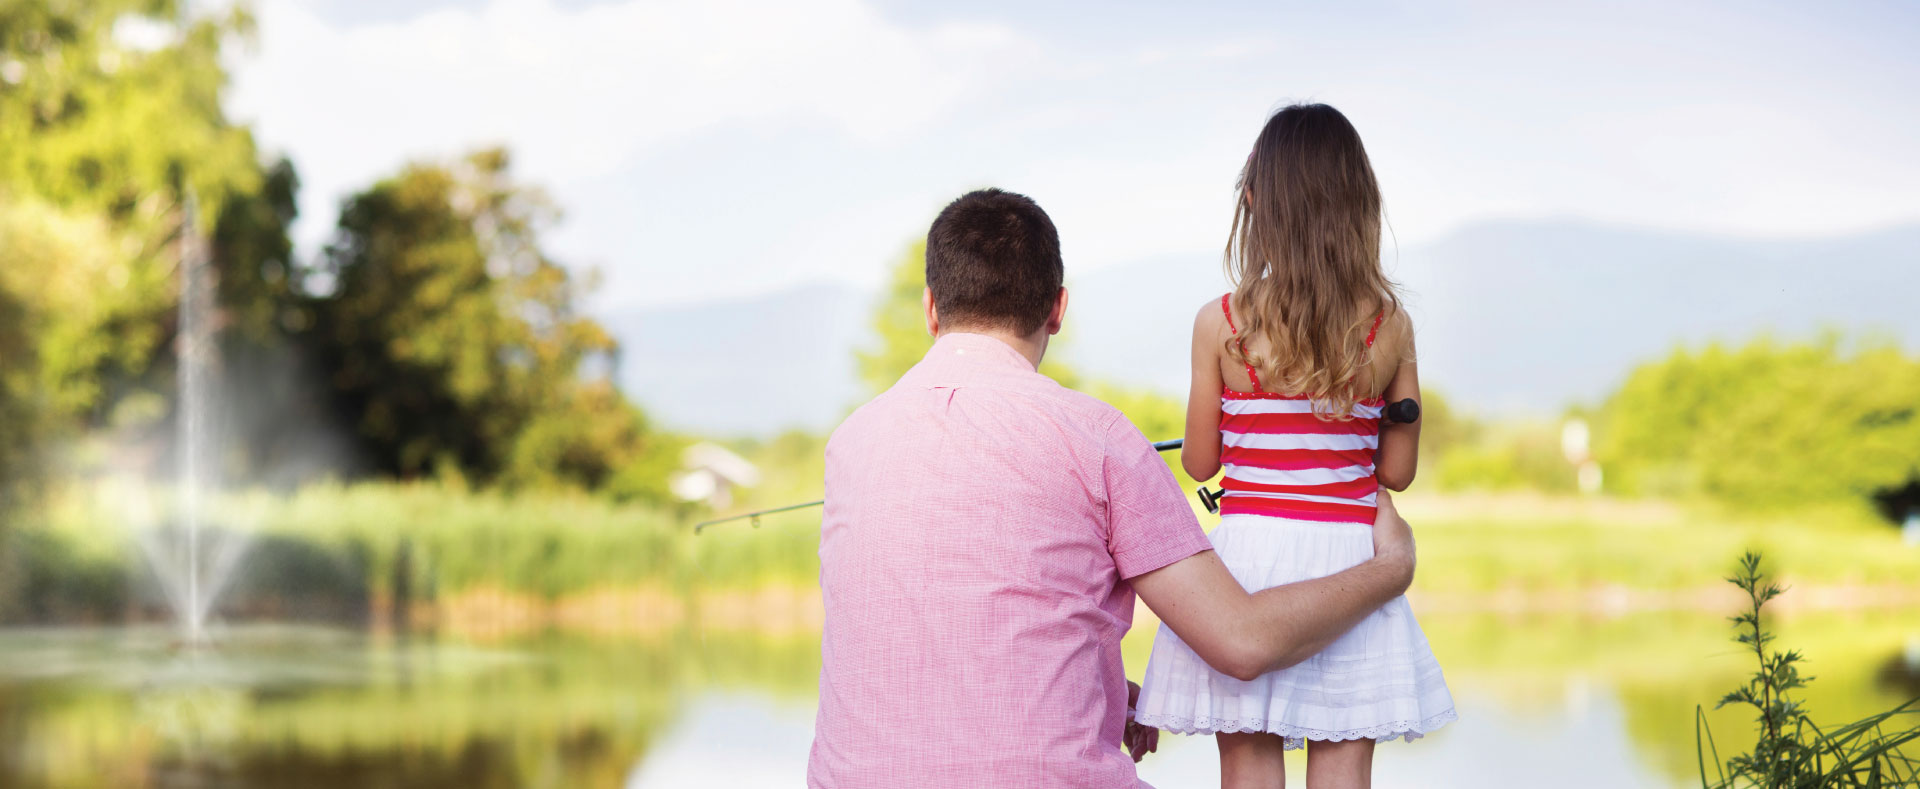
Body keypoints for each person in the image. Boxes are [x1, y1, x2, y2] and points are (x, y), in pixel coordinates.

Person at [809, 187, 1418, 788]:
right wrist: (1390, 566)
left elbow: (928, 616)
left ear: (931, 308)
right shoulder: (1099, 438)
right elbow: (1243, 642)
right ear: (1057, 308)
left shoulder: (850, 443)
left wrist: (1095, 683)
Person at [1131, 103, 1456, 789]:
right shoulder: (1390, 325)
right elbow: (1396, 471)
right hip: (1349, 564)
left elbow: (1199, 462)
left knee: (1248, 762)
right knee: (1343, 766)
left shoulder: (1218, 323)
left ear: (1255, 202)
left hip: (1249, 566)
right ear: (1358, 202)